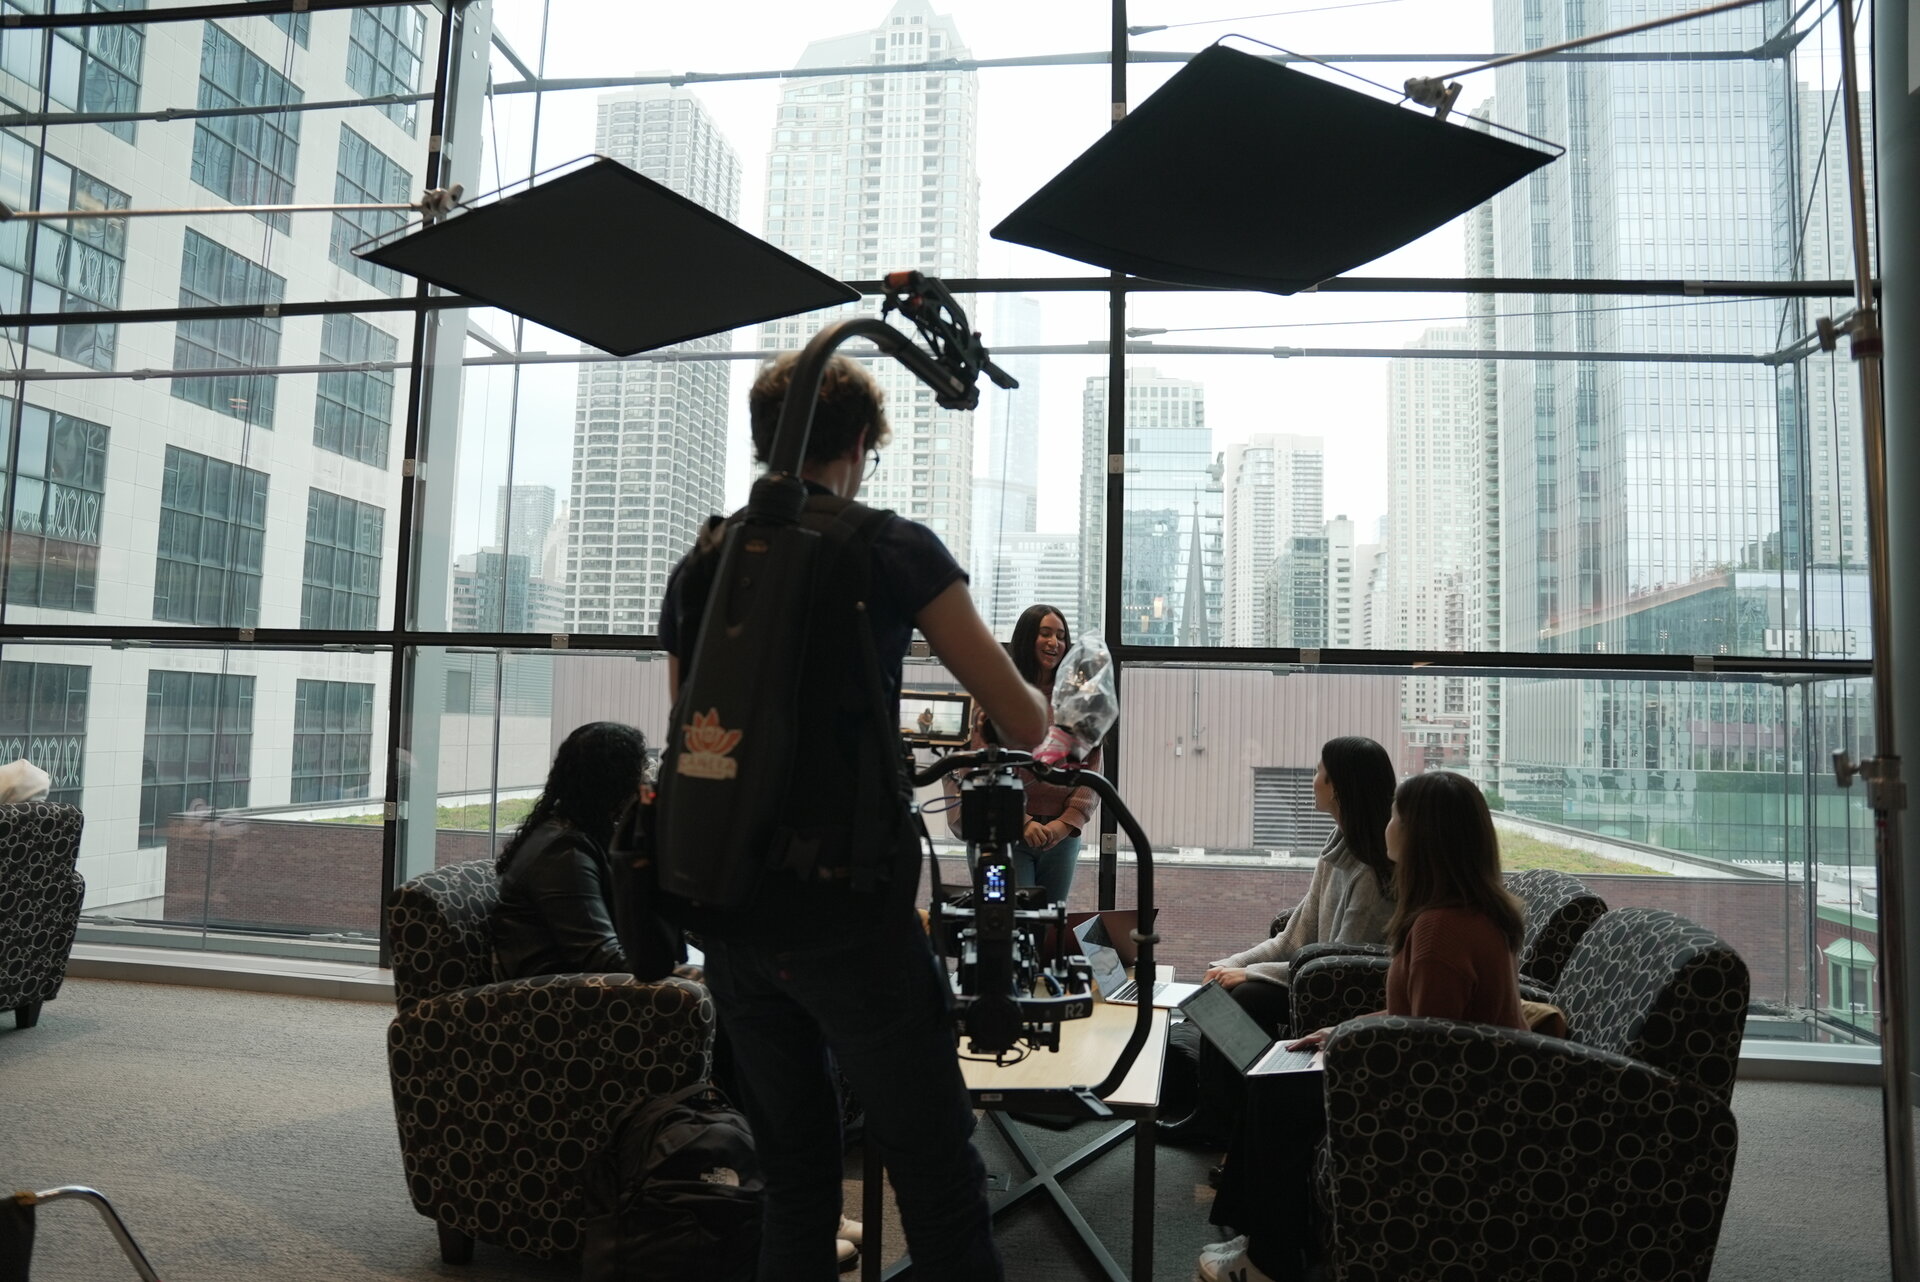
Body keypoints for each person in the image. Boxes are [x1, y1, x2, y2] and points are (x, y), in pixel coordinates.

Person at [659, 352, 1049, 1282]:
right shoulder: (889, 547)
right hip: (847, 914)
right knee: (936, 1169)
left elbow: (696, 743)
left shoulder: (700, 564)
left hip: (732, 915)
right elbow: (1026, 721)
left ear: (769, 439)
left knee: (796, 1174)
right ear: (863, 444)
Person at [1198, 770, 1527, 1282]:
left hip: (1460, 1097)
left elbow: (1426, 1048)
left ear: (1422, 833)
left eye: (1396, 815)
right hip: (1470, 1074)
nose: (1386, 824)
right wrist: (1342, 1031)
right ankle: (1263, 1241)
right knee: (1279, 1073)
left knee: (1275, 1093)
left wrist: (1349, 1045)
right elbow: (1419, 1020)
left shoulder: (1439, 929)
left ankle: (1269, 1261)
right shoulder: (1462, 909)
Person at [1158, 735, 1396, 1147]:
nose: (1313, 778)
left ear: (1339, 785)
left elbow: (1338, 967)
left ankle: (1220, 1119)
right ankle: (1235, 1112)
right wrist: (1230, 963)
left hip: (1348, 993)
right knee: (1224, 990)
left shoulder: (1371, 872)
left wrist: (1248, 974)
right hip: (1318, 975)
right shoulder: (1336, 851)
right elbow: (1295, 938)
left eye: (1320, 770)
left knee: (1242, 999)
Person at [952, 603, 1102, 908]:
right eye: (1044, 633)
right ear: (1024, 639)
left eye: (1061, 636)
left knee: (1049, 930)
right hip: (1004, 830)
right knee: (1011, 925)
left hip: (1060, 837)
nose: (1054, 643)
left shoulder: (1077, 698)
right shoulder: (998, 692)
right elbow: (976, 766)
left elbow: (1092, 769)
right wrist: (1022, 821)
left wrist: (1065, 823)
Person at [492, 721, 652, 980]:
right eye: (642, 772)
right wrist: (682, 970)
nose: (646, 784)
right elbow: (601, 957)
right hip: (558, 997)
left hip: (582, 986)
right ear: (616, 784)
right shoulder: (565, 852)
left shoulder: (583, 833)